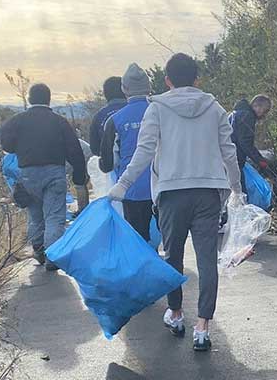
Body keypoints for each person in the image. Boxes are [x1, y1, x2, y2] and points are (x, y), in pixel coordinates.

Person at [107, 53, 243, 352]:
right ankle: (203, 326)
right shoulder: (215, 109)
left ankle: (177, 313)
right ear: (197, 79)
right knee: (207, 260)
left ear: (166, 80)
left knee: (173, 256)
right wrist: (236, 188)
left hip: (171, 193)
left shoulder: (157, 109)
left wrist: (123, 185)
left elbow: (143, 152)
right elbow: (228, 151)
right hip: (209, 192)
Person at [1, 83, 87, 271]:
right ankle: (53, 257)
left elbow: (7, 145)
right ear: (48, 99)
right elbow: (74, 150)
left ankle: (39, 251)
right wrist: (80, 176)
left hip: (28, 175)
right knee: (54, 217)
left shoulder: (17, 121)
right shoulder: (59, 121)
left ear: (30, 99)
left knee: (35, 216)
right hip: (54, 173)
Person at [99, 63, 153, 241]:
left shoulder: (114, 120)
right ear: (149, 87)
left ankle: (144, 266)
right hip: (163, 184)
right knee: (171, 240)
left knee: (138, 239)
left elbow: (107, 163)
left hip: (132, 188)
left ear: (124, 89)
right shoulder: (162, 112)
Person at [230, 95, 271, 192]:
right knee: (239, 193)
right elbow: (245, 142)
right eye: (261, 108)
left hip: (225, 157)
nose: (261, 112)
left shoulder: (237, 113)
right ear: (255, 105)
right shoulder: (247, 116)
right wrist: (261, 161)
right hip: (233, 160)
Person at [89, 76, 127, 156]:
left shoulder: (99, 117)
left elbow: (95, 148)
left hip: (111, 164)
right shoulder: (142, 111)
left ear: (106, 94)